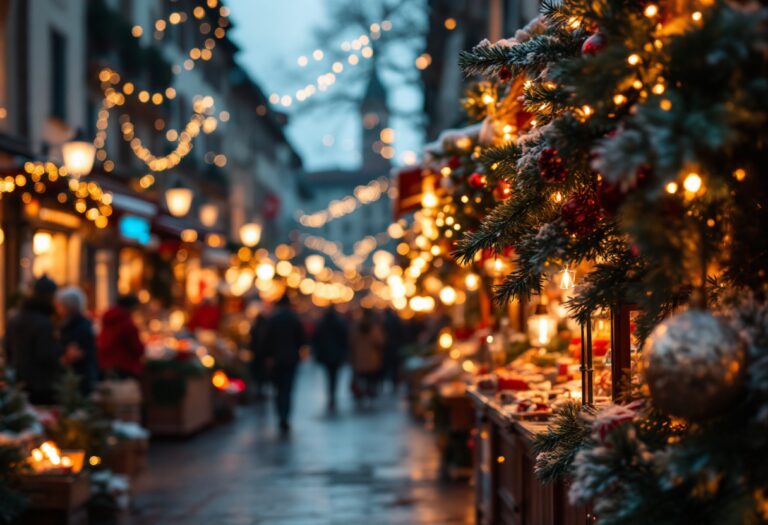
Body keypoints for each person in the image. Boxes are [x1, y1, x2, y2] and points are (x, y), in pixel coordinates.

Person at [4, 276, 62, 404]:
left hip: (17, 380)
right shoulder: (44, 323)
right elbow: (45, 354)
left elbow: (7, 349)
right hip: (40, 385)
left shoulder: (16, 319)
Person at [261, 294, 305, 434]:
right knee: (287, 389)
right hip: (290, 359)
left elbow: (266, 340)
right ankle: (285, 416)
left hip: (276, 360)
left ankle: (281, 415)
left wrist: (268, 356)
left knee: (278, 389)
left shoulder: (273, 319)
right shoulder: (294, 319)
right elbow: (301, 340)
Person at [55, 286, 99, 396]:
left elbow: (79, 352)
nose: (58, 309)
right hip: (74, 377)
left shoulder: (78, 326)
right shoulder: (69, 324)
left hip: (79, 378)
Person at [97, 294, 145, 379]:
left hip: (105, 364)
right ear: (131, 307)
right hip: (124, 366)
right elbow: (138, 348)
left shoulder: (109, 319)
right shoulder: (126, 324)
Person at [312, 305, 348, 411]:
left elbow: (316, 338)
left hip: (326, 355)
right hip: (336, 355)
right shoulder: (339, 323)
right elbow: (344, 339)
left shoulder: (322, 323)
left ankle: (331, 396)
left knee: (329, 376)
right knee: (334, 376)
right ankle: (333, 396)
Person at [349, 308, 384, 405]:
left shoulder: (356, 327)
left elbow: (351, 342)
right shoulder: (374, 328)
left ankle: (363, 393)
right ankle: (369, 393)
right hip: (372, 358)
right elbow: (380, 342)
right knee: (370, 378)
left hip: (359, 358)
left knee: (361, 378)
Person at [248, 301, 272, 400]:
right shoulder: (265, 326)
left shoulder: (256, 327)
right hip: (262, 354)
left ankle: (259, 390)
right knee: (261, 373)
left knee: (258, 373)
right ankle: (261, 390)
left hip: (257, 354)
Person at [382, 308, 406, 393]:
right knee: (395, 366)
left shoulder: (385, 322)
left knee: (391, 366)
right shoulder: (397, 321)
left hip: (389, 347)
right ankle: (395, 382)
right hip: (396, 346)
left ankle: (393, 382)